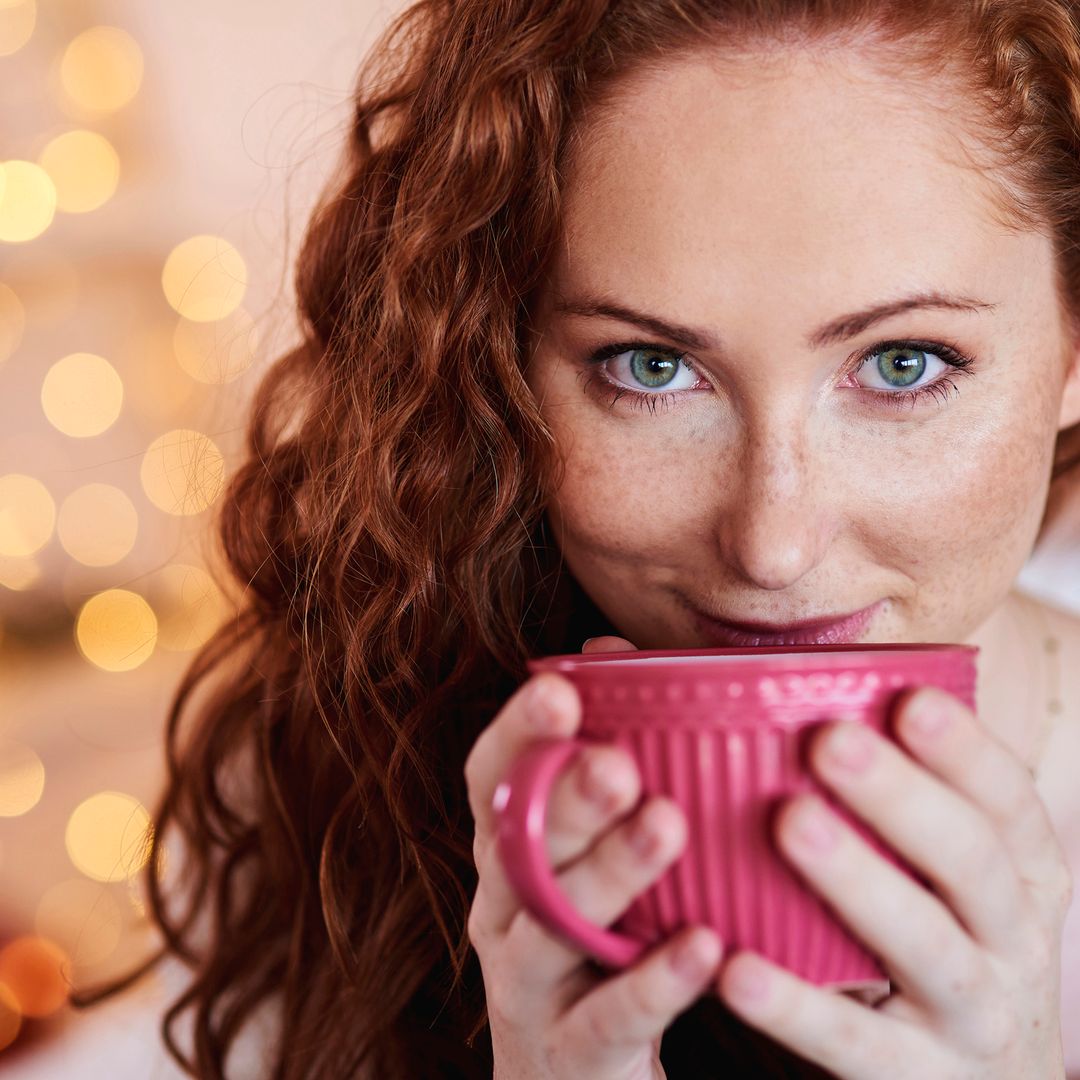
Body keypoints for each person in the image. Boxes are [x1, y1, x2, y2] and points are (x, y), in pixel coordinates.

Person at [74, 0, 1080, 1076]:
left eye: (905, 364)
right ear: (497, 368)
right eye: (650, 368)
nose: (772, 545)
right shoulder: (325, 780)